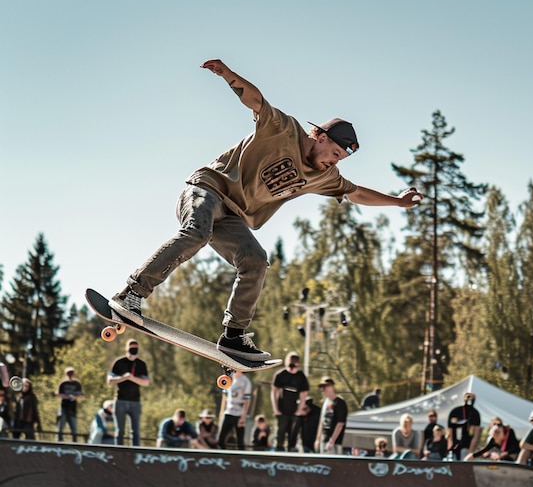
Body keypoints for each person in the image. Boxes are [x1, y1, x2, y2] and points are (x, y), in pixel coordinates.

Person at [107, 58, 422, 362]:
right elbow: (257, 101)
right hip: (208, 188)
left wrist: (396, 201)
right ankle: (131, 294)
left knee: (256, 260)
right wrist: (228, 75)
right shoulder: (283, 129)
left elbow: (356, 193)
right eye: (335, 153)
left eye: (340, 160)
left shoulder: (325, 175)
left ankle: (234, 333)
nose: (334, 162)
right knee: (195, 234)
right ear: (321, 137)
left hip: (232, 216)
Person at [107, 338, 149, 446]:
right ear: (126, 348)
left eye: (135, 348)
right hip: (120, 400)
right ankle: (119, 454)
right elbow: (110, 380)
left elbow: (146, 382)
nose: (133, 350)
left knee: (135, 432)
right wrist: (124, 378)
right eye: (131, 348)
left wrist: (132, 378)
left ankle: (135, 454)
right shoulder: (119, 362)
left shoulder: (141, 364)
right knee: (119, 431)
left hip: (135, 401)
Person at [271, 352, 309, 451]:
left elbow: (304, 395)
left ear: (298, 365)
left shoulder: (301, 377)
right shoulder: (280, 375)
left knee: (293, 434)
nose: (292, 368)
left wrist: (299, 409)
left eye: (294, 366)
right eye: (290, 365)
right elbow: (274, 392)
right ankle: (279, 449)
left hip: (294, 410)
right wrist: (276, 409)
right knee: (281, 432)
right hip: (281, 410)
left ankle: (291, 449)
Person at [218, 370, 252, 450]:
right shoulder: (228, 379)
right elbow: (225, 397)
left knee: (240, 442)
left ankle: (241, 459)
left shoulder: (245, 381)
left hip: (239, 413)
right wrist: (221, 413)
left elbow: (247, 400)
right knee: (221, 440)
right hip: (229, 412)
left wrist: (243, 417)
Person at [315, 377, 348, 454]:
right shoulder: (326, 402)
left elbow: (340, 423)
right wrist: (318, 439)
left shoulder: (339, 402)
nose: (324, 389)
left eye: (326, 386)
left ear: (332, 386)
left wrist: (332, 441)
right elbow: (321, 421)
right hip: (324, 439)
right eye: (322, 387)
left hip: (334, 442)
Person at [447, 392, 482, 460]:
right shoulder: (455, 411)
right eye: (468, 397)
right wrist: (450, 445)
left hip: (466, 446)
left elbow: (476, 434)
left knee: (463, 460)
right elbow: (450, 430)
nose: (470, 400)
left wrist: (470, 450)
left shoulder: (475, 413)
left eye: (472, 398)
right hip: (455, 445)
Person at [55, 367, 84, 443]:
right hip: (64, 407)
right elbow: (58, 394)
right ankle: (59, 441)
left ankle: (74, 443)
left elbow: (81, 394)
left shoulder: (77, 384)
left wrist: (74, 397)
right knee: (60, 427)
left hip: (72, 408)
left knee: (74, 428)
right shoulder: (63, 383)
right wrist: (67, 397)